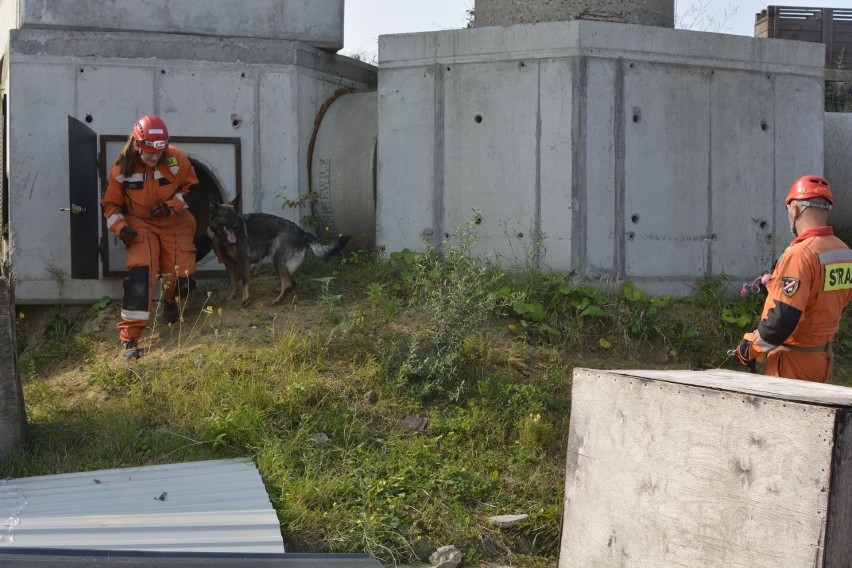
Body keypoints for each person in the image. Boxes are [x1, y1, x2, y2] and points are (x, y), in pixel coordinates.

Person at [736, 174, 852, 382]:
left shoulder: (800, 254)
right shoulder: (844, 252)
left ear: (795, 209)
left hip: (792, 364)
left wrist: (750, 348)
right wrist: (775, 287)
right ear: (827, 209)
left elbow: (783, 319)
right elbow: (827, 300)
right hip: (822, 359)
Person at [101, 115, 199, 359]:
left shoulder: (176, 158)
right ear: (136, 145)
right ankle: (130, 340)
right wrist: (122, 228)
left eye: (159, 151)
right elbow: (110, 206)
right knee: (140, 275)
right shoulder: (121, 169)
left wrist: (172, 205)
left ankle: (170, 302)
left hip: (174, 222)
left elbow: (194, 190)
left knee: (182, 278)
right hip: (140, 223)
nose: (154, 157)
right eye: (148, 152)